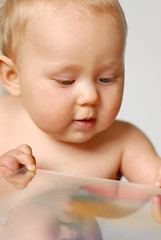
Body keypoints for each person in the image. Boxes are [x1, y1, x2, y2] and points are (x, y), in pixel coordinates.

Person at [0, 0, 161, 189]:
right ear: (13, 77)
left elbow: (156, 187)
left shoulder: (125, 142)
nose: (91, 96)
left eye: (106, 79)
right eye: (66, 81)